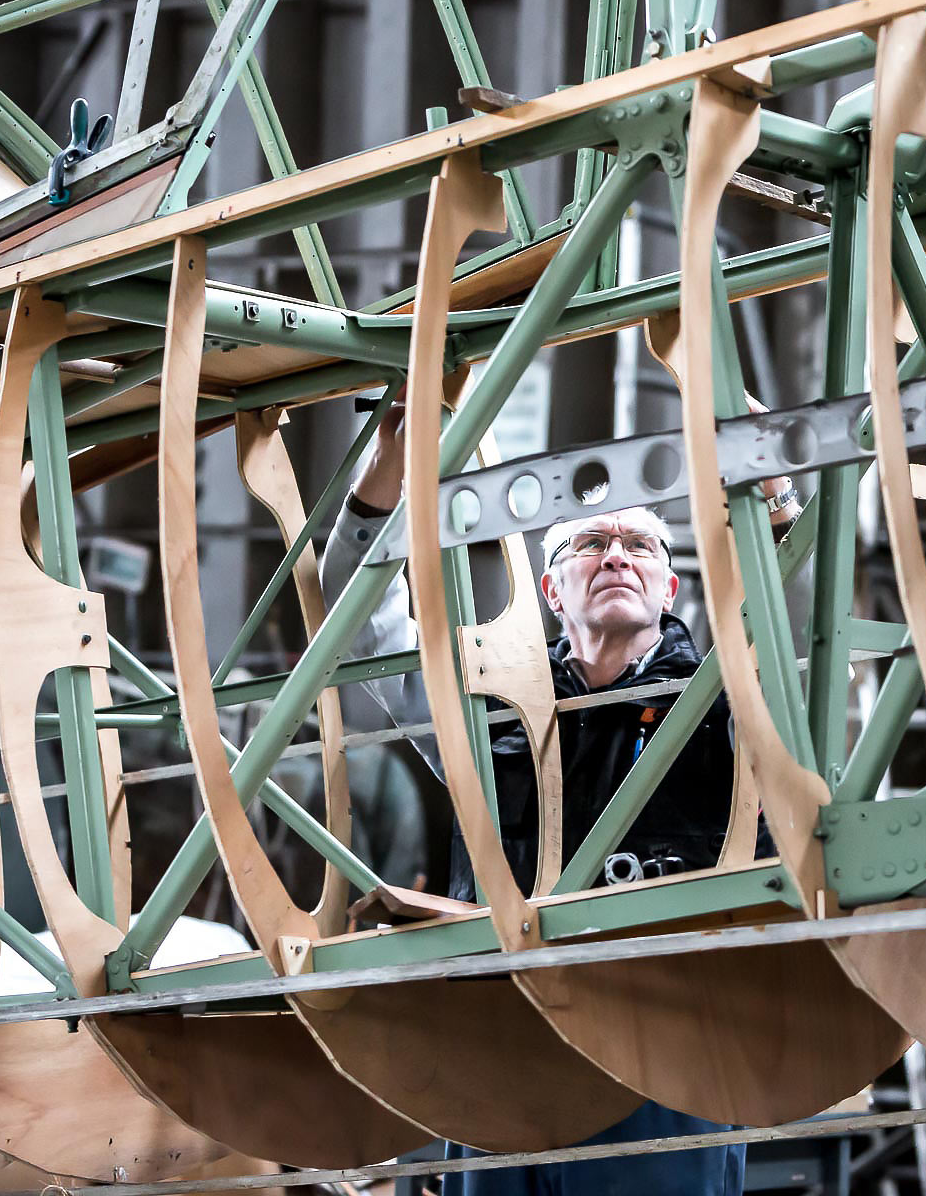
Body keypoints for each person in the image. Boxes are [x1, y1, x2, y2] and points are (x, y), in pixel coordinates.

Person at [318, 403, 801, 1196]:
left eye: (639, 545)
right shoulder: (494, 717)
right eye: (590, 544)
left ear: (670, 585)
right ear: (550, 588)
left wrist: (777, 492)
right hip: (501, 1052)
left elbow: (807, 642)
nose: (617, 556)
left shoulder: (727, 706)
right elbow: (357, 616)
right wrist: (385, 472)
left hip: (668, 1066)